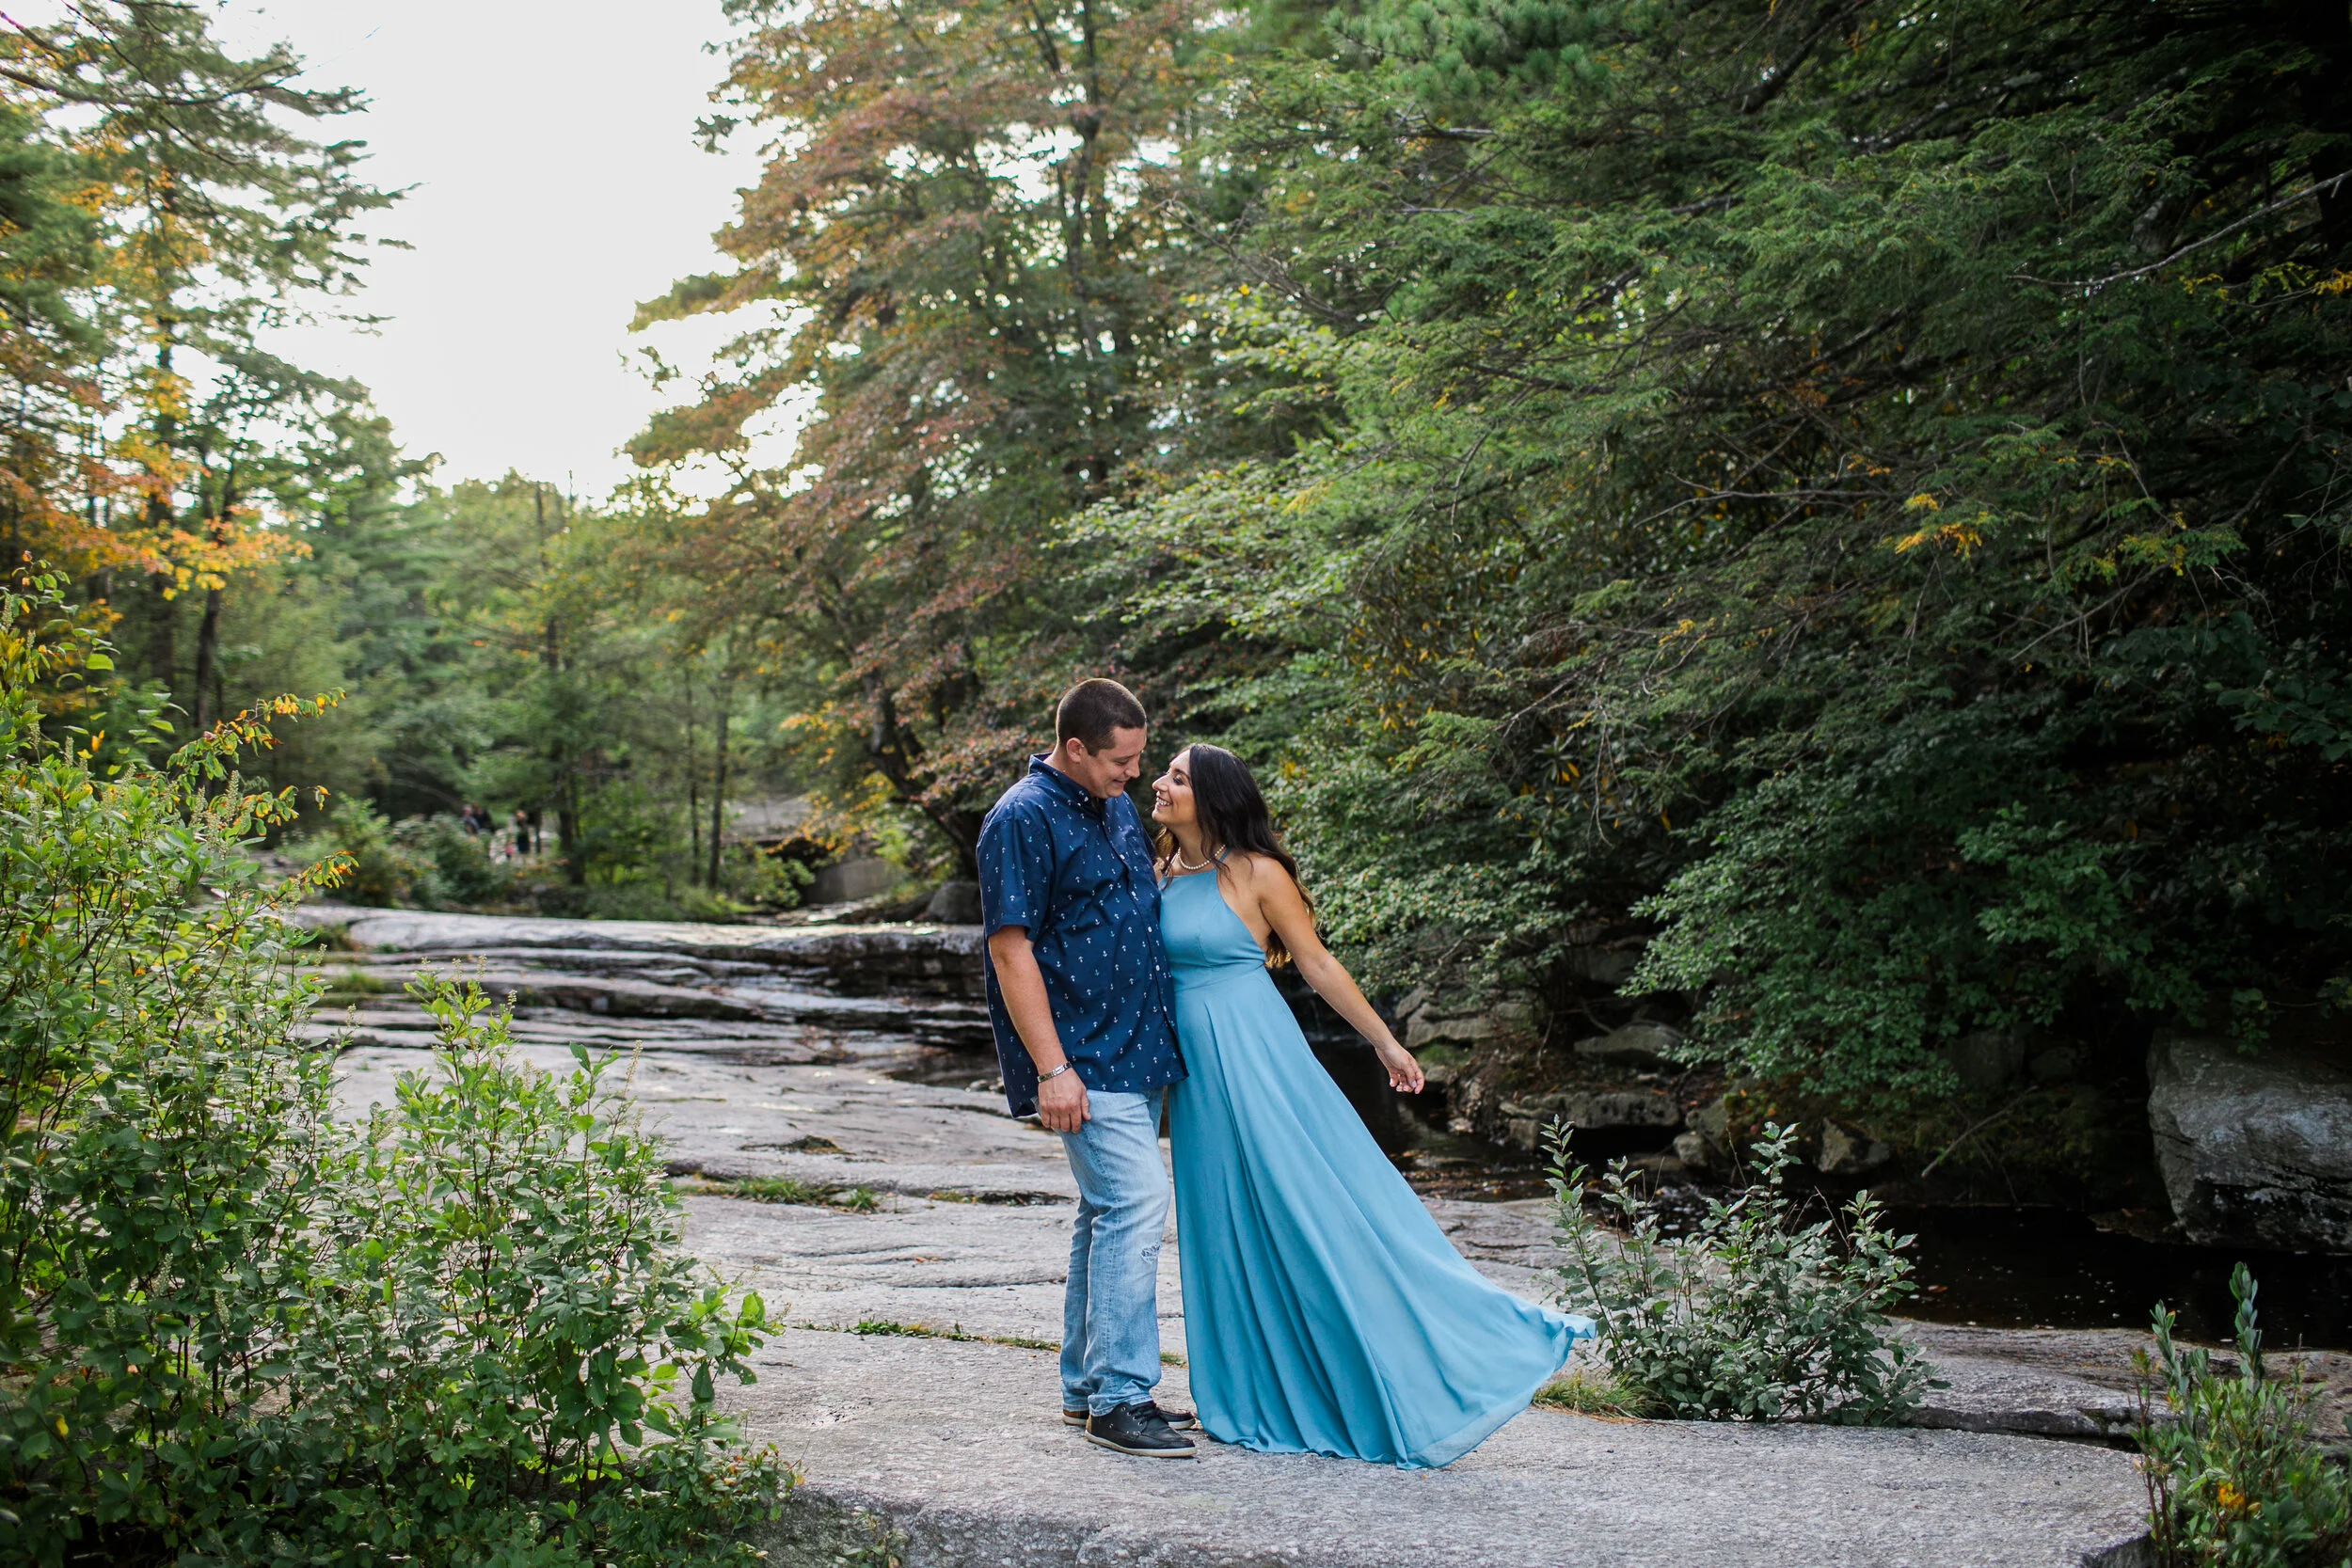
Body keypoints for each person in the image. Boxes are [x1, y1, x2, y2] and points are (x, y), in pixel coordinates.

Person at [1150, 742, 1595, 1468]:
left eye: (1177, 777)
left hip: (1259, 1057)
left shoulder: (1260, 873)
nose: (1160, 785)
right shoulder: (1160, 870)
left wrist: (1386, 1043)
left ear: (1216, 796)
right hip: (1194, 1077)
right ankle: (1246, 1388)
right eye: (1164, 772)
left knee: (1305, 1208)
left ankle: (1430, 1356)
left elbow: (1317, 963)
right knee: (1221, 1219)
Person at [977, 679, 1197, 1459]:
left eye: (1140, 758)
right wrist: (1052, 1068)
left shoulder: (1116, 811)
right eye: (1122, 759)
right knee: (1137, 1204)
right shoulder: (1020, 818)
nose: (1135, 772)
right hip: (1082, 1057)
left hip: (1138, 1050)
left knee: (1103, 1214)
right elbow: (1010, 949)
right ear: (1076, 748)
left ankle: (1084, 1386)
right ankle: (1120, 1398)